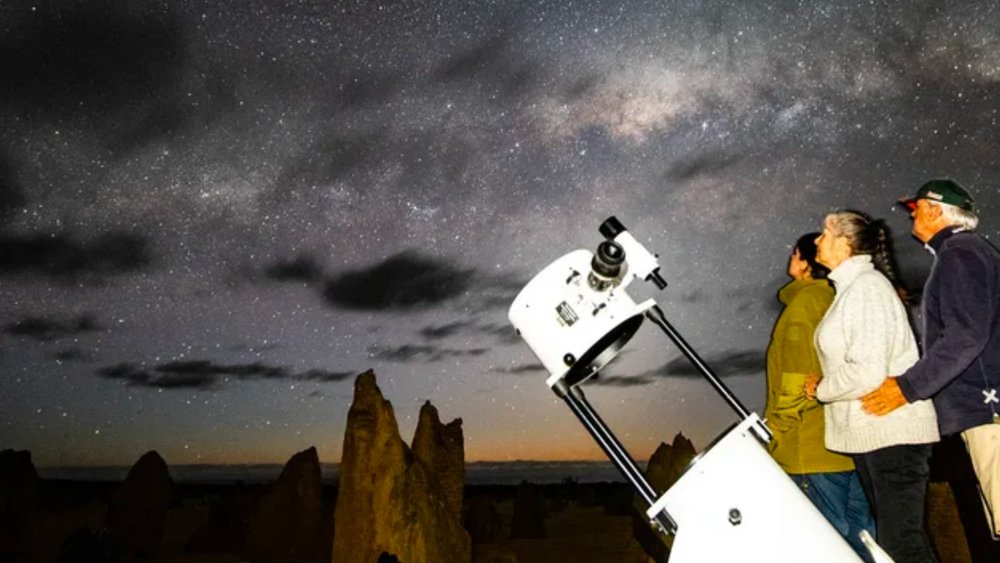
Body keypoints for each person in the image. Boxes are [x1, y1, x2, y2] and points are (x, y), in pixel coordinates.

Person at [862, 179, 1000, 542]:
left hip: (991, 411)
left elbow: (966, 335)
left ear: (937, 210)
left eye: (917, 207)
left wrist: (908, 387)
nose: (912, 216)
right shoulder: (964, 253)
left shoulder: (960, 253)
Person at [805, 210, 940, 563]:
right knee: (897, 543)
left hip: (894, 436)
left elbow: (867, 371)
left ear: (845, 243)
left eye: (824, 232)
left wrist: (822, 388)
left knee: (902, 545)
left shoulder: (867, 288)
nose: (817, 240)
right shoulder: (851, 290)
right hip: (877, 436)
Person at [764, 233, 875, 559]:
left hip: (809, 450)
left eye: (795, 253)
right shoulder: (836, 301)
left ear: (806, 262)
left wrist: (776, 431)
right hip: (845, 449)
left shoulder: (802, 306)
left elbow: (796, 378)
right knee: (864, 541)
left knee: (824, 546)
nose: (791, 258)